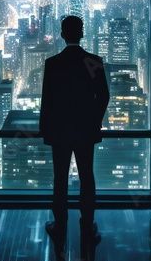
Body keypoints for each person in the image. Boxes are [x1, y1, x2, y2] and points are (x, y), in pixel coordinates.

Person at [39, 15, 109, 244]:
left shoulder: (53, 64)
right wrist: (94, 121)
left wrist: (46, 131)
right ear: (82, 33)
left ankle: (60, 226)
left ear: (62, 34)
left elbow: (47, 101)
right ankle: (88, 227)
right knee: (87, 177)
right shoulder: (94, 61)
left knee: (60, 179)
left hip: (59, 132)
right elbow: (104, 97)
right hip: (85, 131)